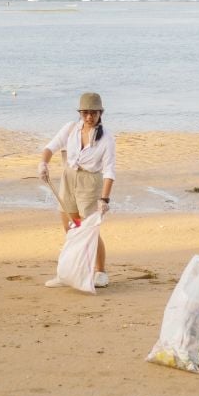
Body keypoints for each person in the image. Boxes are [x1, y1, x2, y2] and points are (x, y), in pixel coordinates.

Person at [39, 92, 117, 288]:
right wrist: (43, 164)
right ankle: (70, 272)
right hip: (68, 179)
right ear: (80, 113)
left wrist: (104, 199)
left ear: (101, 113)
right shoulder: (71, 128)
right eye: (85, 113)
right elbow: (51, 147)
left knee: (90, 230)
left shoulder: (107, 138)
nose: (89, 117)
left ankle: (100, 272)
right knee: (72, 228)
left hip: (90, 185)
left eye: (93, 113)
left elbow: (109, 171)